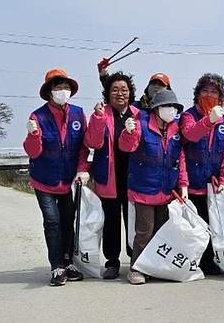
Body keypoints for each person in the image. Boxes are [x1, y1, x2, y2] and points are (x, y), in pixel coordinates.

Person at [23, 68, 90, 286]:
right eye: (58, 87)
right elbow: (33, 152)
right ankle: (56, 266)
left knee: (68, 220)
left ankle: (68, 262)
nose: (63, 90)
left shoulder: (78, 114)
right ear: (49, 91)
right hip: (44, 179)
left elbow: (82, 147)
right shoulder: (38, 116)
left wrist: (82, 169)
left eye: (66, 86)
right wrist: (33, 134)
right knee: (52, 221)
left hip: (68, 180)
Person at [118, 89, 187, 285]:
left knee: (160, 232)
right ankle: (136, 268)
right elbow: (127, 147)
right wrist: (128, 132)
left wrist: (183, 184)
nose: (170, 110)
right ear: (156, 109)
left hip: (167, 190)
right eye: (166, 106)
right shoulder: (141, 125)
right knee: (144, 231)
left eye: (173, 106)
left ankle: (154, 266)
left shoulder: (176, 130)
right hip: (143, 189)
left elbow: (180, 159)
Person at [83, 71, 139, 279]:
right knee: (111, 221)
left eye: (124, 89)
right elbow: (93, 143)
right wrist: (98, 119)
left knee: (134, 221)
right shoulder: (101, 113)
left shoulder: (139, 114)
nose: (120, 93)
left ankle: (135, 260)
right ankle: (112, 262)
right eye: (114, 90)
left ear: (130, 92)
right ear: (107, 93)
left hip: (134, 177)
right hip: (109, 176)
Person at [179, 73, 224, 275]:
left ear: (221, 97)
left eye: (214, 92)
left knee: (213, 226)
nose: (209, 95)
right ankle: (192, 261)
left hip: (214, 186)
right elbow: (190, 134)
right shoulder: (188, 115)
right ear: (197, 93)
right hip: (192, 184)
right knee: (194, 227)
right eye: (205, 91)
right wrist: (208, 121)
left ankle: (210, 262)